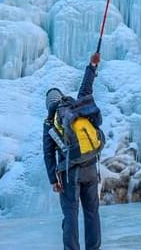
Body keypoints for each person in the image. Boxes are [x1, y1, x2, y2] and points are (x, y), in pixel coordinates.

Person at [43, 53, 102, 250]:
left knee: (71, 214)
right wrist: (91, 66)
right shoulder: (76, 107)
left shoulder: (50, 123)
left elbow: (48, 153)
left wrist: (53, 179)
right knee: (92, 212)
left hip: (70, 173)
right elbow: (86, 88)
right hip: (91, 167)